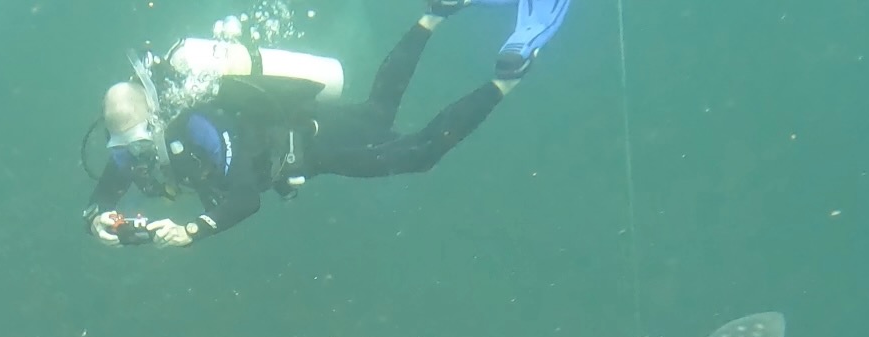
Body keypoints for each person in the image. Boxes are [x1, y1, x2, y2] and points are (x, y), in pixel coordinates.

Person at [82, 0, 572, 249]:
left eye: (136, 148)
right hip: (311, 130)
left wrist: (193, 230)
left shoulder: (200, 127)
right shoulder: (135, 148)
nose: (133, 160)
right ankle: (434, 15)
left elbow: (244, 195)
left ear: (154, 125)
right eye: (123, 148)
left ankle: (505, 79)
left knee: (417, 152)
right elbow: (111, 185)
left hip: (315, 146)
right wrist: (98, 215)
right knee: (377, 110)